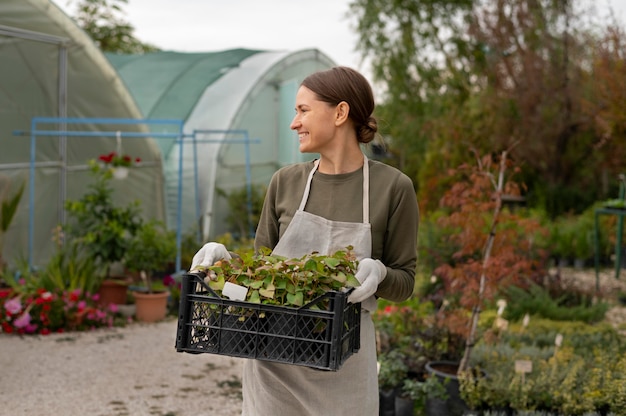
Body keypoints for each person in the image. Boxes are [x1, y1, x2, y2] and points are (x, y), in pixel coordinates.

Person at [190, 66, 419, 415]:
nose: (294, 123)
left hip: (346, 364)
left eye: (303, 110)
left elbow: (405, 281)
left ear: (340, 113)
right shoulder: (286, 182)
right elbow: (260, 275)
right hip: (270, 361)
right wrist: (224, 263)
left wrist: (381, 274)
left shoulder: (393, 187)